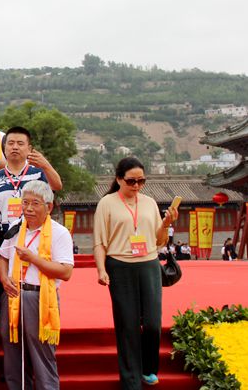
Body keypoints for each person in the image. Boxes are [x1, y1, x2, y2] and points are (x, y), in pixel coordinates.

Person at [94, 157, 179, 388]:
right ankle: (131, 378)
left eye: (141, 181)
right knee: (127, 324)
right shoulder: (107, 203)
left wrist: (166, 224)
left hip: (149, 264)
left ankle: (148, 368)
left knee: (152, 323)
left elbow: (159, 241)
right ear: (119, 179)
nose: (136, 186)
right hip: (120, 265)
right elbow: (100, 241)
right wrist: (101, 269)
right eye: (131, 181)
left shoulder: (149, 202)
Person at [0, 181, 74, 390]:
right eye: (25, 203)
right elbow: (2, 258)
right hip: (12, 295)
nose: (29, 208)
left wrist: (34, 259)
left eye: (35, 204)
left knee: (42, 356)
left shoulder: (59, 233)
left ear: (49, 207)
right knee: (12, 355)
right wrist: (4, 279)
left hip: (39, 298)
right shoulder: (16, 227)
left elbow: (66, 272)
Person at [0, 127, 51, 250]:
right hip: (1, 236)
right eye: (11, 143)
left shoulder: (39, 174)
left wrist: (46, 165)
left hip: (33, 234)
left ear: (29, 149)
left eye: (20, 143)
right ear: (4, 148)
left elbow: (54, 193)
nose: (15, 147)